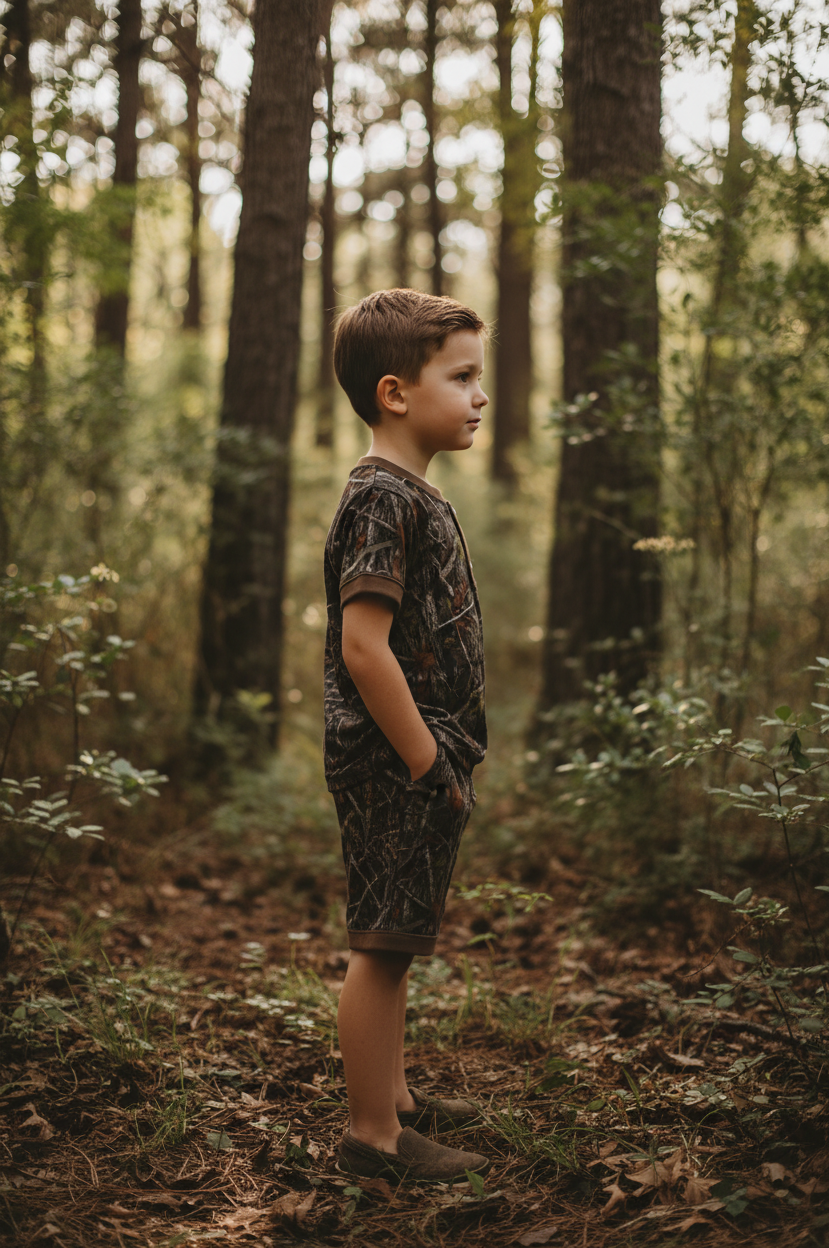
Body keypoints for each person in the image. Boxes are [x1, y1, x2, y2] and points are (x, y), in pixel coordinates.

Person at [323, 288, 492, 1183]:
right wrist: (425, 757)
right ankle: (371, 1137)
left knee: (400, 938)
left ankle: (395, 1099)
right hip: (396, 761)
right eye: (461, 376)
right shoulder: (382, 498)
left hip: (419, 759)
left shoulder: (408, 493)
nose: (480, 394)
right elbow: (363, 645)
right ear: (396, 392)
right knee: (382, 947)